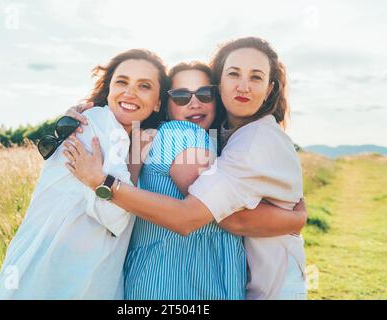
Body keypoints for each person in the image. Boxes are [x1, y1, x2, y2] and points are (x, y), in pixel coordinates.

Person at [64, 40, 308, 300]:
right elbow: (213, 217)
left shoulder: (193, 140)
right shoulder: (185, 136)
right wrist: (295, 219)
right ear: (165, 103)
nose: (194, 103)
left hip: (154, 281)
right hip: (191, 286)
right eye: (181, 96)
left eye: (204, 94)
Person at [0, 49, 169, 299]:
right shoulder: (97, 123)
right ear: (109, 90)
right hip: (55, 278)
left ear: (158, 102)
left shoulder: (117, 134)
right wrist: (103, 182)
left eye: (144, 86)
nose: (130, 92)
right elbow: (116, 216)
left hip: (67, 274)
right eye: (122, 81)